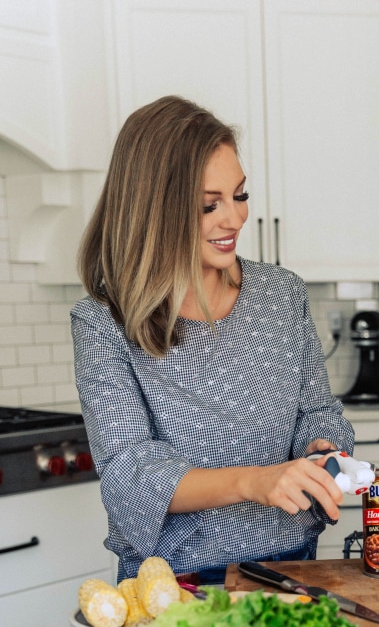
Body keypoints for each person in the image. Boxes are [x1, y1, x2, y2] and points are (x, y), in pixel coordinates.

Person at [72, 96, 354, 582]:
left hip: (293, 563)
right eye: (209, 205)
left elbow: (317, 411)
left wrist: (322, 448)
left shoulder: (282, 294)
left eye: (240, 195)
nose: (235, 219)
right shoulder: (103, 323)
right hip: (175, 581)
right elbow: (131, 476)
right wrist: (255, 481)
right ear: (153, 209)